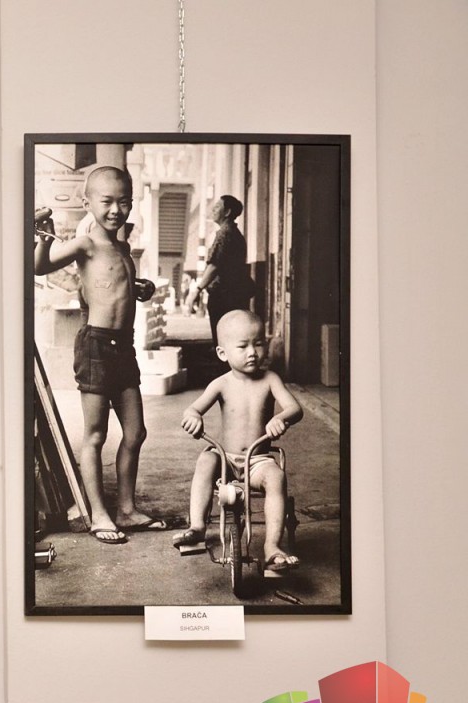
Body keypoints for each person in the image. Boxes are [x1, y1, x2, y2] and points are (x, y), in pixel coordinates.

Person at [33, 165, 164, 544]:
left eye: (124, 202)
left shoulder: (121, 248)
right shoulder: (85, 243)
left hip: (124, 346)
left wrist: (139, 287)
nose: (116, 210)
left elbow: (110, 284)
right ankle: (99, 514)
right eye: (107, 202)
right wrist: (42, 235)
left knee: (135, 432)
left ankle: (127, 509)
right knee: (95, 434)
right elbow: (41, 265)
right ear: (87, 202)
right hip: (96, 345)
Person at [174, 310, 304, 569]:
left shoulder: (270, 379)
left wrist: (282, 418)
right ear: (223, 353)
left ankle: (272, 547)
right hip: (226, 459)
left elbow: (295, 408)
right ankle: (197, 527)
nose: (252, 352)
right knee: (206, 460)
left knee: (276, 477)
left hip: (258, 461)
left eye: (259, 343)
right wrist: (193, 417)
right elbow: (193, 409)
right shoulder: (221, 383)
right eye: (243, 346)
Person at [195, 194, 253, 346]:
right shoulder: (234, 233)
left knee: (222, 337)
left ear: (227, 212)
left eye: (217, 207)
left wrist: (197, 289)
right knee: (234, 337)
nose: (213, 210)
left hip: (223, 296)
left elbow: (214, 265)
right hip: (234, 294)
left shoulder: (225, 233)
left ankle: (222, 360)